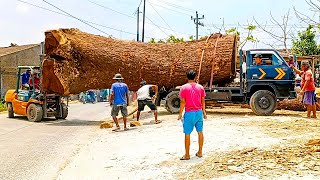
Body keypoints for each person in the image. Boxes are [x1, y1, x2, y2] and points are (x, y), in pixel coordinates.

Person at [178, 70, 207, 160]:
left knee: (187, 133)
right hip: (199, 113)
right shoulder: (200, 87)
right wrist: (204, 112)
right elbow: (203, 101)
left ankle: (187, 155)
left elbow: (183, 102)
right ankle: (200, 152)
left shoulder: (183, 88)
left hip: (189, 113)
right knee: (200, 132)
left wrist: (180, 114)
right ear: (195, 77)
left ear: (187, 77)